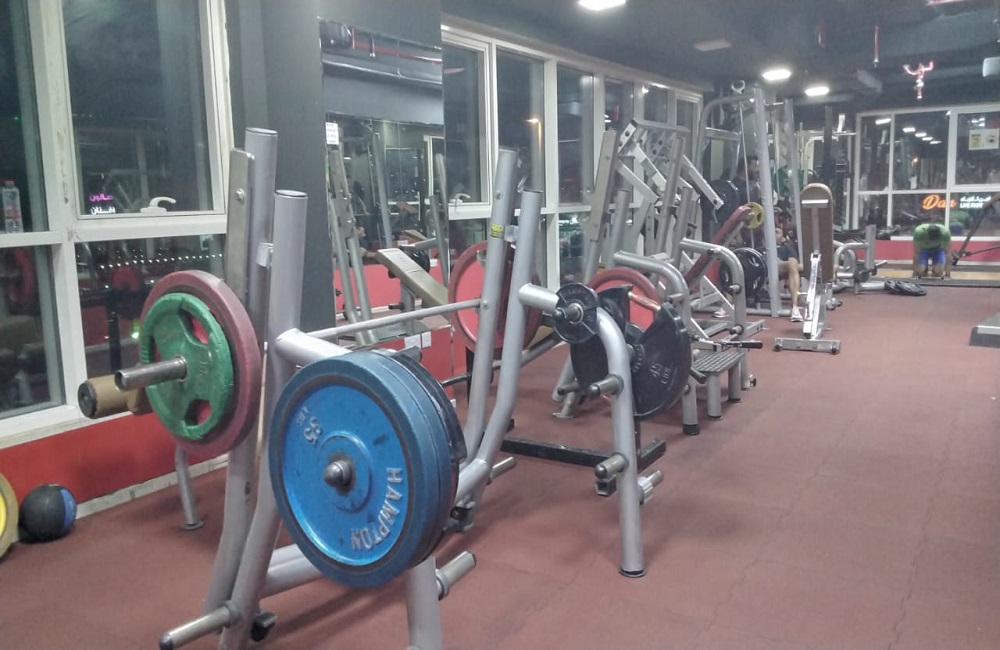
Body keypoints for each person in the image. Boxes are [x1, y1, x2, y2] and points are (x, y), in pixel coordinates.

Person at [775, 226, 804, 322]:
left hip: (778, 266)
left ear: (783, 238)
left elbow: (794, 263)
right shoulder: (759, 241)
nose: (773, 234)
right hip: (762, 264)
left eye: (776, 232)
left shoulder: (786, 248)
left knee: (793, 263)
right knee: (795, 265)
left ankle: (795, 308)